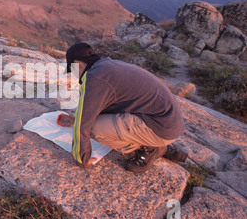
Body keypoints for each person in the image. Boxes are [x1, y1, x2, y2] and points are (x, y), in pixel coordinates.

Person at [60, 42, 187, 172]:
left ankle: (148, 149)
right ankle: (158, 144)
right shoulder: (106, 66)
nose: (74, 76)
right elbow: (97, 107)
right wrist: (75, 118)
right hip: (167, 122)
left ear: (77, 64)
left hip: (161, 128)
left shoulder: (95, 78)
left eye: (73, 70)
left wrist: (81, 158)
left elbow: (84, 124)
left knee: (93, 128)